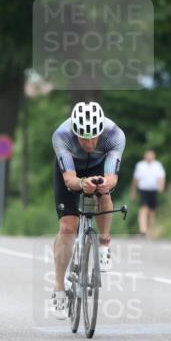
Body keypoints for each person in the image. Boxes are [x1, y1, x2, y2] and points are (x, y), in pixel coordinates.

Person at [50, 101, 125, 320]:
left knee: (105, 193)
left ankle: (103, 244)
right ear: (75, 131)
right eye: (83, 137)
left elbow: (112, 176)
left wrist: (105, 184)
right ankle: (59, 288)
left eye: (94, 136)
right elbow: (69, 179)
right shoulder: (61, 135)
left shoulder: (114, 135)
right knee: (67, 227)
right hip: (71, 169)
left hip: (99, 166)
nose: (90, 142)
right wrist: (82, 184)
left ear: (101, 130)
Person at [130, 149, 165, 237]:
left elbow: (161, 177)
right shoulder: (140, 165)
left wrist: (161, 186)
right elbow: (136, 179)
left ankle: (150, 229)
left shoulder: (158, 165)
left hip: (153, 190)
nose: (149, 157)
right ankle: (143, 229)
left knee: (152, 211)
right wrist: (133, 192)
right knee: (143, 209)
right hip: (143, 190)